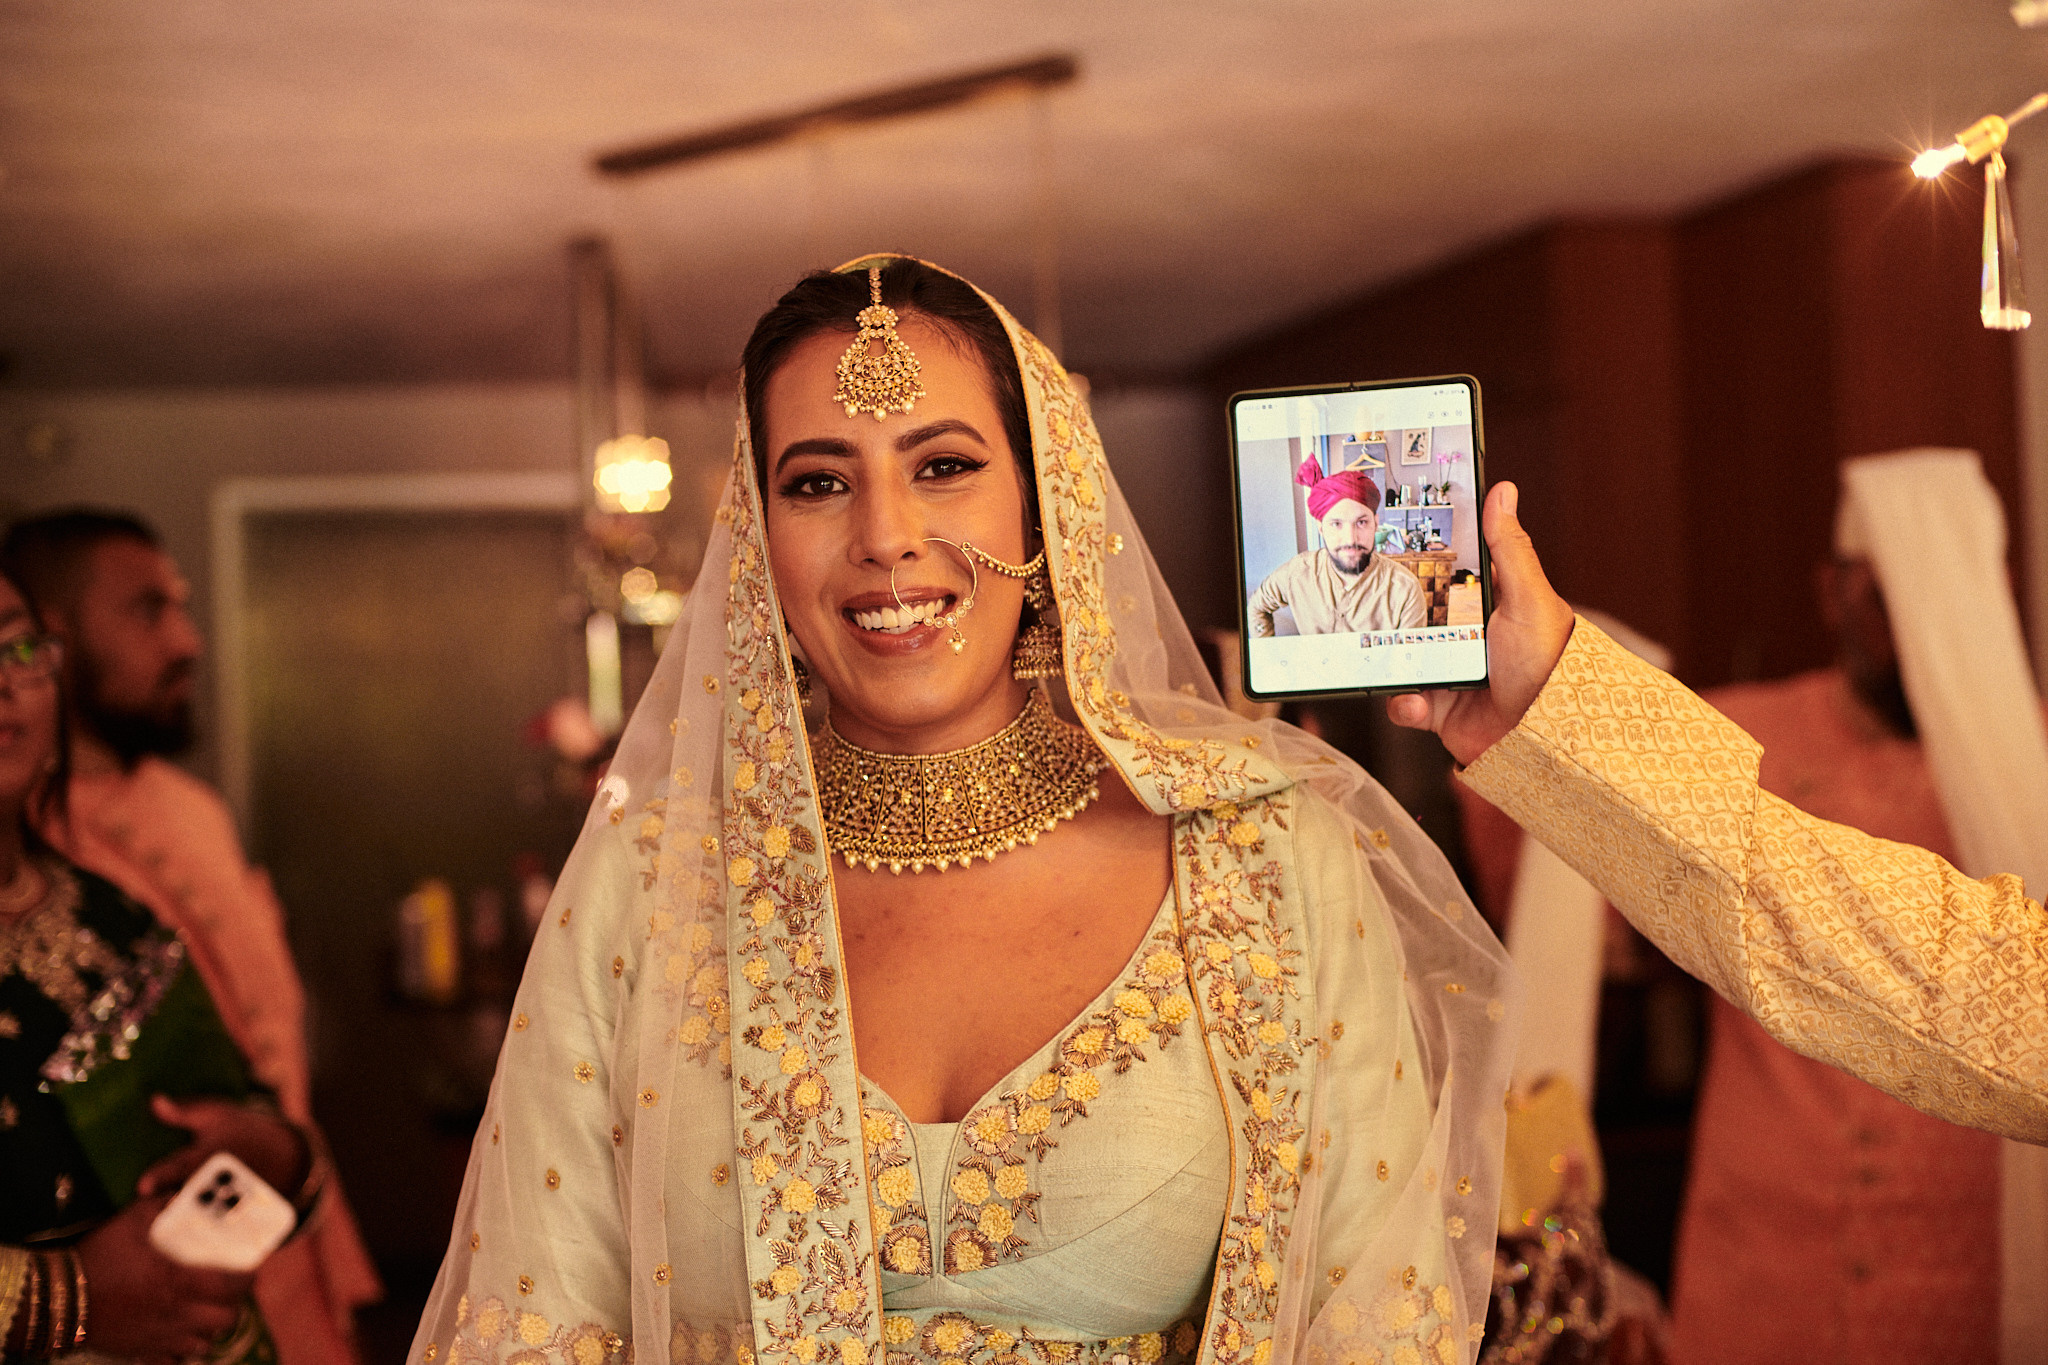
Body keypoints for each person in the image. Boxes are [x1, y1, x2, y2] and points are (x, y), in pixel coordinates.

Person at [411, 257, 1519, 1365]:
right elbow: (531, 1326)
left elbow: (1379, 1324)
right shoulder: (651, 886)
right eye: (815, 483)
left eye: (942, 465)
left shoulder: (1263, 857)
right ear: (756, 545)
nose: (884, 535)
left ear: (1046, 511)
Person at [1384, 478, 2048, 1152]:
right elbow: (1981, 972)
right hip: (1767, 1182)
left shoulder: (2034, 755)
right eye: (1892, 598)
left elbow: (1996, 1002)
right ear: (1832, 592)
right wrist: (1553, 717)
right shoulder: (1744, 721)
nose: (1923, 635)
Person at [0, 511, 381, 1362]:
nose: (187, 639)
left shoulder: (139, 860)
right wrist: (68, 1299)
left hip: (258, 1280)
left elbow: (250, 1069)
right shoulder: (65, 832)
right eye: (147, 610)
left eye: (13, 650)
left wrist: (277, 1149)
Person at [1248, 462, 1426, 637]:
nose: (1350, 539)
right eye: (1336, 524)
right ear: (1321, 528)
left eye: (1361, 522)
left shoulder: (1405, 589)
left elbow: (1408, 661)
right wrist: (1267, 657)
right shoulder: (1297, 573)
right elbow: (1257, 607)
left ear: (1376, 524)